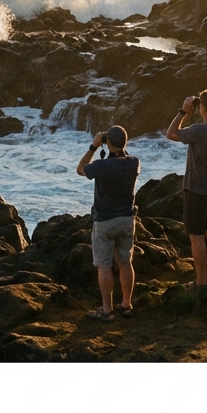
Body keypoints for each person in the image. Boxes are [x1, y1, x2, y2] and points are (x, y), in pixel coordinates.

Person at [166, 89, 207, 288]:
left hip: (196, 189)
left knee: (196, 236)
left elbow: (171, 133)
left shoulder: (199, 131)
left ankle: (201, 281)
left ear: (202, 108)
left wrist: (183, 111)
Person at [77, 124, 140, 321]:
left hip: (105, 221)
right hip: (126, 219)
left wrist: (94, 146)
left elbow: (81, 170)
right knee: (125, 262)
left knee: (104, 266)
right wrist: (116, 144)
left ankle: (107, 310)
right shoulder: (134, 163)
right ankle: (127, 305)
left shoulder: (102, 166)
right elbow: (124, 155)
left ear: (108, 143)